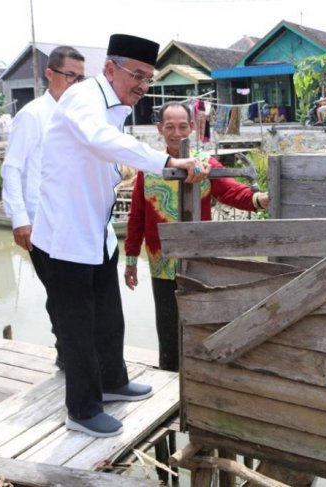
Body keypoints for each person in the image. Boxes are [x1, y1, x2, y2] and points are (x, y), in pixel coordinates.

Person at [30, 34, 209, 439]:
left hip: (96, 233)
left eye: (149, 78)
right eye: (137, 75)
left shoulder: (114, 105)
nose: (143, 86)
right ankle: (82, 408)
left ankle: (113, 381)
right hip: (65, 238)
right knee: (78, 327)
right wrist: (166, 161)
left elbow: (109, 154)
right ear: (110, 69)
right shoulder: (83, 99)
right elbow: (103, 141)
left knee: (109, 318)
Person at [123, 101, 270, 372]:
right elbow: (137, 217)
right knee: (167, 326)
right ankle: (169, 377)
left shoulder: (204, 164)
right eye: (170, 127)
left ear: (192, 127)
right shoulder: (150, 167)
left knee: (202, 323)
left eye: (182, 126)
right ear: (159, 129)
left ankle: (201, 378)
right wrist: (131, 258)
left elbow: (231, 192)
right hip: (162, 262)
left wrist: (260, 200)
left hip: (199, 259)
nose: (177, 133)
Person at [1, 46, 85, 370]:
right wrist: (20, 220)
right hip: (41, 223)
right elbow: (12, 168)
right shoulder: (33, 115)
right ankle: (68, 354)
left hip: (73, 221)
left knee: (75, 291)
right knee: (60, 292)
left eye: (80, 78)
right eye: (69, 76)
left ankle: (75, 351)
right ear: (50, 74)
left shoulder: (78, 116)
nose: (75, 84)